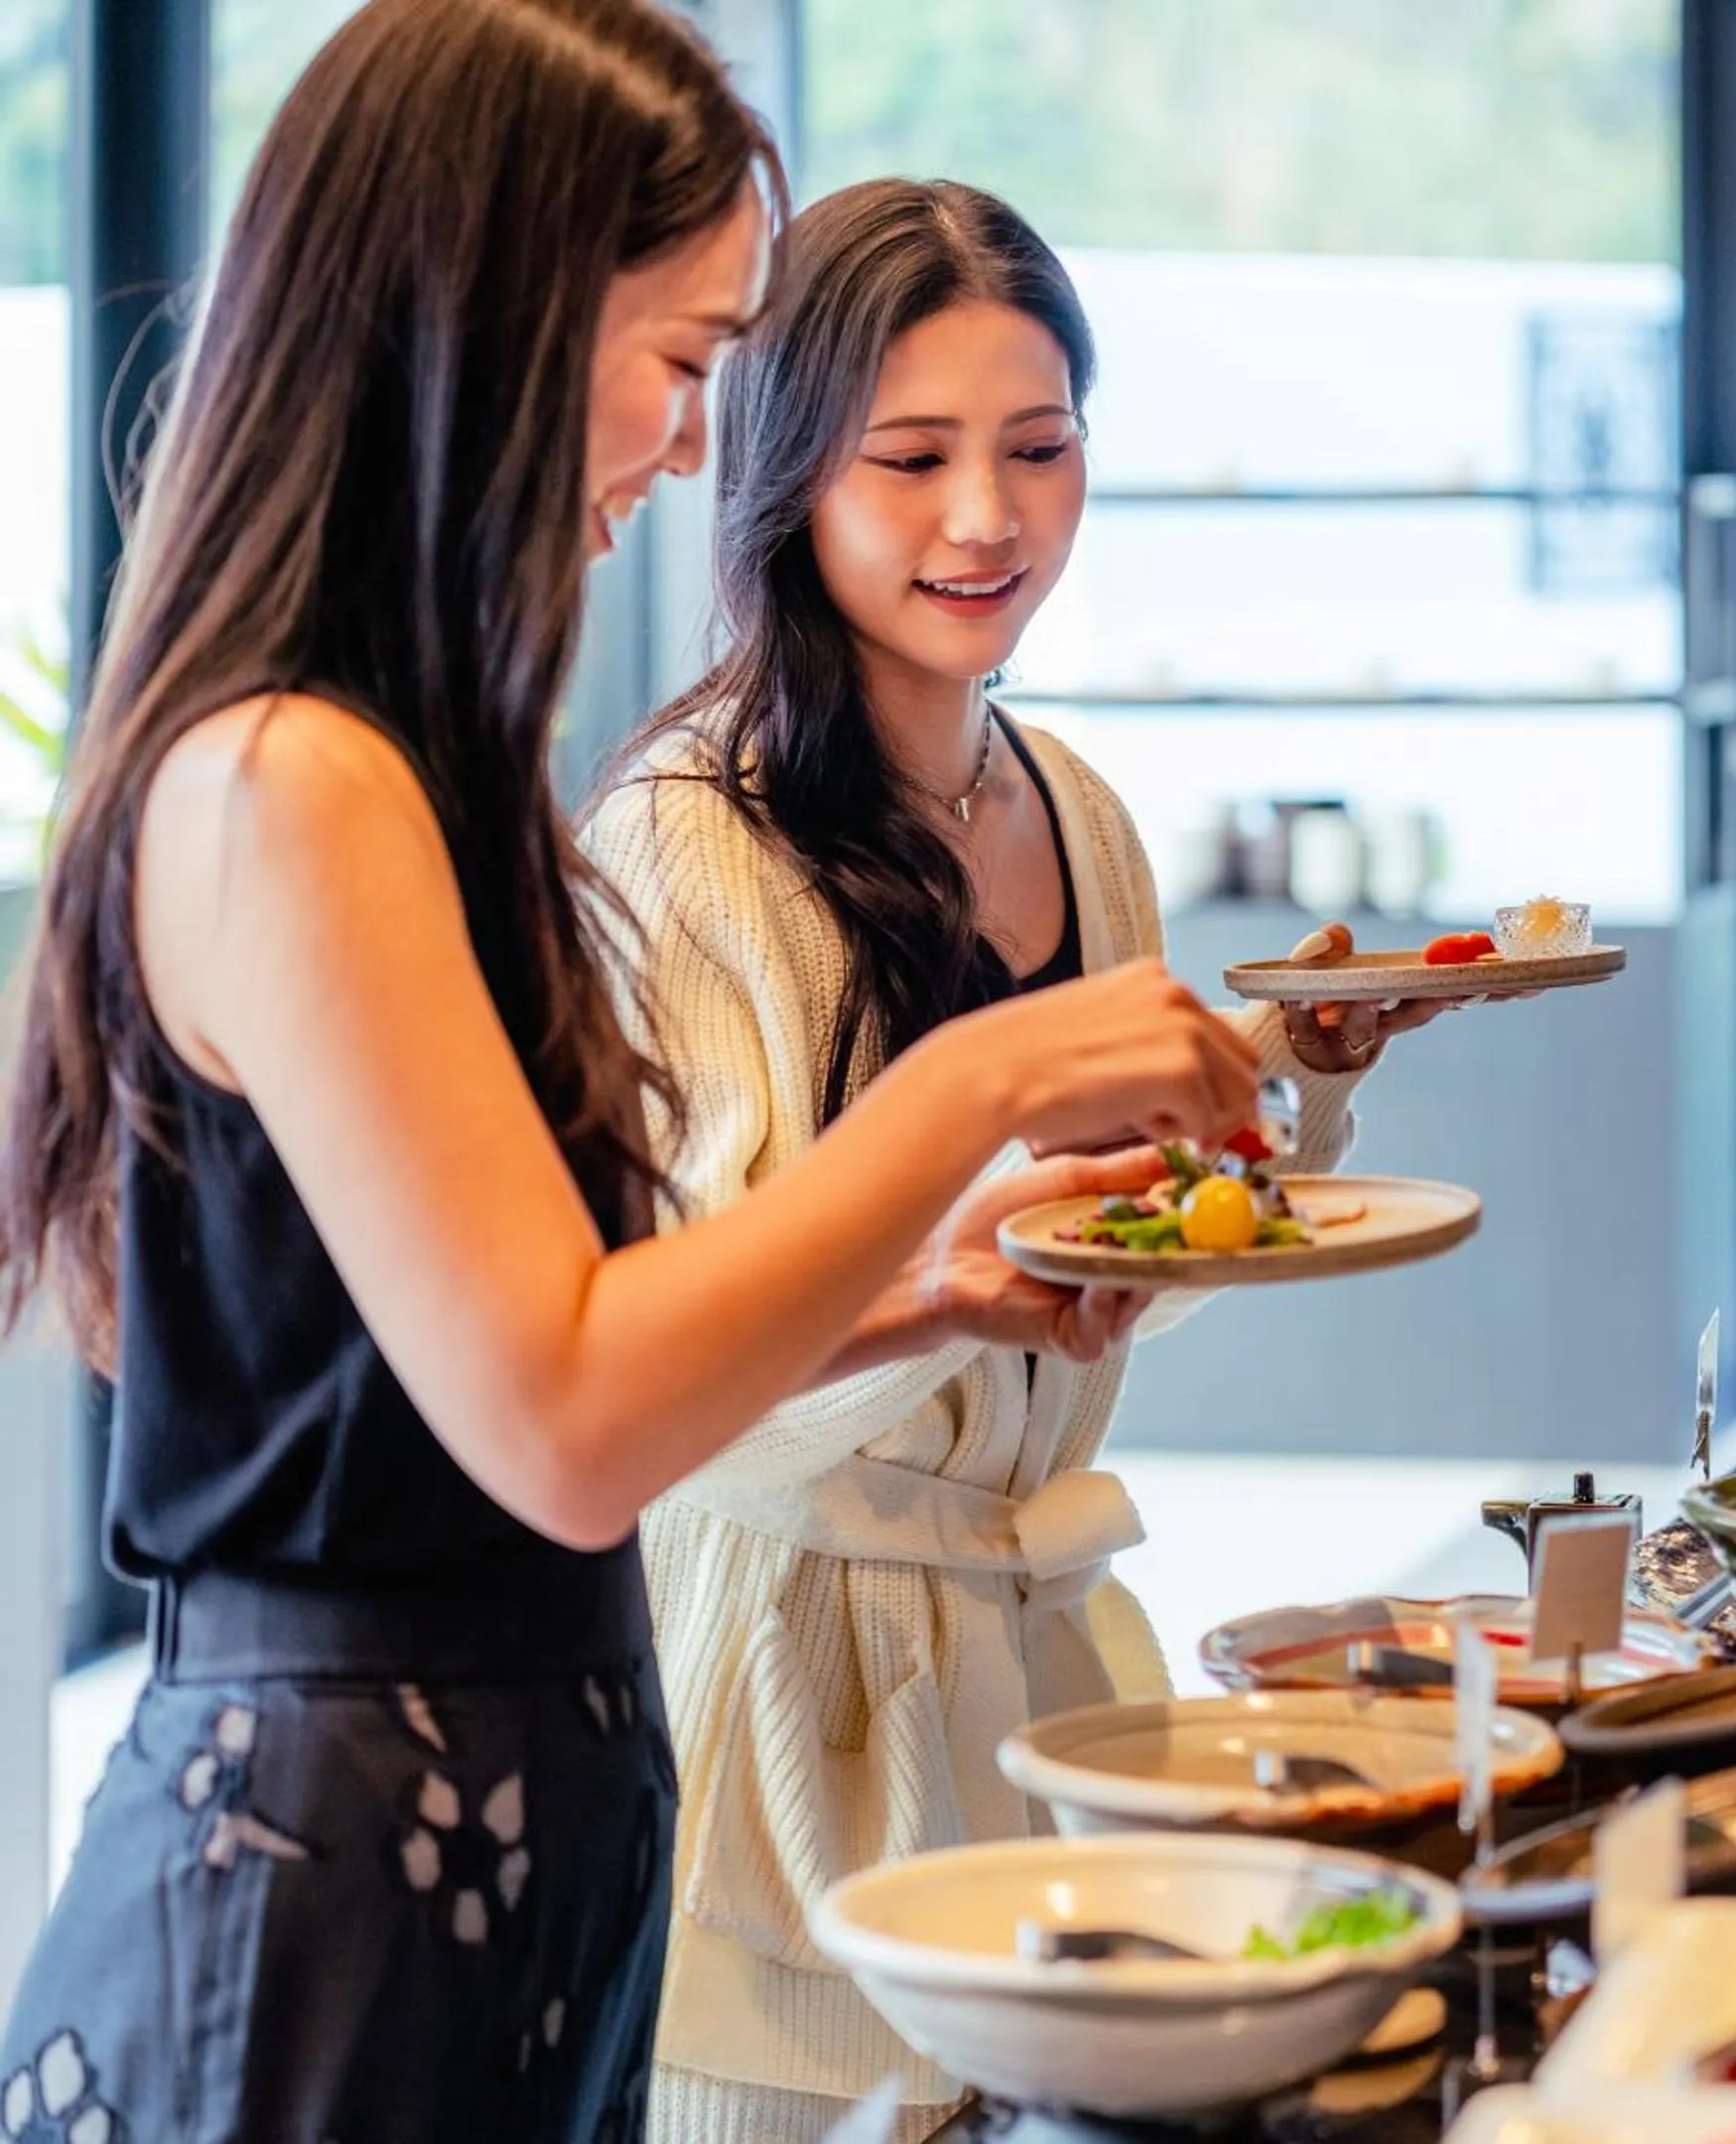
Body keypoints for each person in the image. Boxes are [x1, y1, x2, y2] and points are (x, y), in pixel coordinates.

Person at [0, 11, 1253, 2140]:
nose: (693, 447)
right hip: (329, 1881)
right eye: (684, 362)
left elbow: (538, 1361)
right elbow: (573, 1424)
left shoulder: (407, 770)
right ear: (482, 325)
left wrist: (943, 1286)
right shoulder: (294, 782)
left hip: (499, 1846)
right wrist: (976, 1095)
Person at [582, 179, 1457, 2142]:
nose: (986, 519)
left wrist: (1283, 1087)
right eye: (912, 459)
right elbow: (674, 1397)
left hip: (1033, 1674)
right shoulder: (688, 844)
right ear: (784, 470)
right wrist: (962, 1262)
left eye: (1040, 449)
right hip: (767, 1698)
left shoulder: (1079, 809)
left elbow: (1102, 1281)